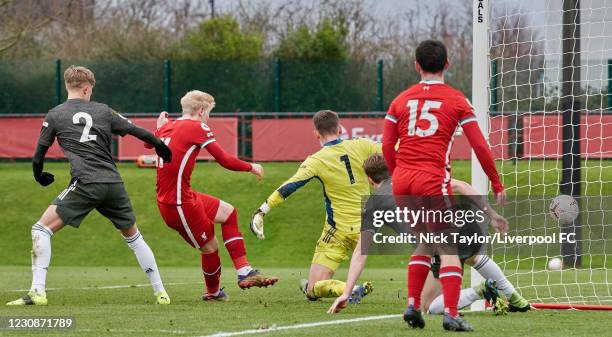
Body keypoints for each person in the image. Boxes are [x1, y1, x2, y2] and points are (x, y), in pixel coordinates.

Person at [7, 65, 173, 306]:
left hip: (85, 183)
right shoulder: (104, 111)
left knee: (40, 230)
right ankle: (161, 293)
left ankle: (37, 292)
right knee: (135, 238)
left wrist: (38, 174)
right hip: (114, 184)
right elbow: (136, 130)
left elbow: (38, 154)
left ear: (68, 87)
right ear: (87, 89)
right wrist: (159, 145)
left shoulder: (55, 114)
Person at [382, 40, 506, 331]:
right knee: (449, 248)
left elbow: (388, 144)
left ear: (416, 65)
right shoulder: (457, 100)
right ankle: (451, 313)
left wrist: (397, 172)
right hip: (431, 179)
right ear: (447, 64)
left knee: (424, 243)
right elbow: (479, 144)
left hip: (403, 179)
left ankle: (413, 305)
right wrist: (496, 182)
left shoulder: (400, 100)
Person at [328, 155, 529, 316]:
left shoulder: (374, 203)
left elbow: (360, 252)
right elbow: (462, 186)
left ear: (370, 180)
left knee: (429, 307)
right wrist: (492, 214)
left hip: (437, 240)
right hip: (463, 222)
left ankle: (482, 290)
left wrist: (347, 292)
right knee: (472, 257)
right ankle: (516, 299)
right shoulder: (414, 177)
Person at [153, 90, 277, 301]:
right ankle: (212, 293)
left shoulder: (168, 126)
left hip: (183, 196)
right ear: (201, 111)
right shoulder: (196, 126)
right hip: (178, 204)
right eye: (209, 112)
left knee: (229, 213)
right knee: (210, 248)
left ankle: (244, 270)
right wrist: (251, 167)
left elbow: (150, 143)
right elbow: (224, 160)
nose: (209, 118)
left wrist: (159, 127)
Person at [250, 110, 377, 303]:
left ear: (316, 133)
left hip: (337, 232)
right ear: (340, 128)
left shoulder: (316, 160)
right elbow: (396, 150)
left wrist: (262, 211)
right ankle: (352, 289)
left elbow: (290, 186)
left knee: (312, 290)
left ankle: (349, 289)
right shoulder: (362, 145)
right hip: (366, 228)